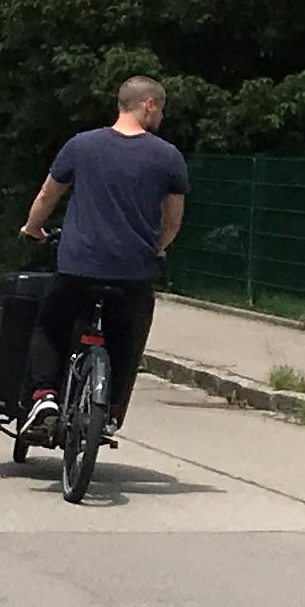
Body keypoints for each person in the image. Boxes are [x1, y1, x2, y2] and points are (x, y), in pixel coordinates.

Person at [18, 78, 189, 433]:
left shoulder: (81, 145)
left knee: (50, 324)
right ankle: (110, 410)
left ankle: (44, 396)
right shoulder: (169, 156)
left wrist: (33, 228)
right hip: (134, 275)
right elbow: (172, 222)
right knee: (128, 338)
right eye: (162, 109)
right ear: (149, 106)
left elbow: (48, 196)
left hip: (79, 267)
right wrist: (157, 248)